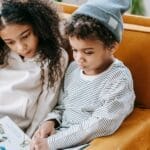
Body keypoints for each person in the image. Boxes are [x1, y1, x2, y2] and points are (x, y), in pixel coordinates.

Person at [31, 0, 135, 149]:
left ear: (112, 47)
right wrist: (51, 121)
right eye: (74, 50)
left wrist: (52, 143)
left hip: (84, 143)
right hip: (58, 136)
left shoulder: (118, 78)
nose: (79, 58)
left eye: (88, 52)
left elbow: (102, 123)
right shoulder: (73, 69)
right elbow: (62, 105)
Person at [0, 0, 68, 137]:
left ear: (38, 27)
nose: (21, 47)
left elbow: (47, 102)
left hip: (13, 127)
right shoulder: (3, 52)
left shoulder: (55, 56)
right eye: (10, 42)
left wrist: (29, 137)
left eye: (25, 36)